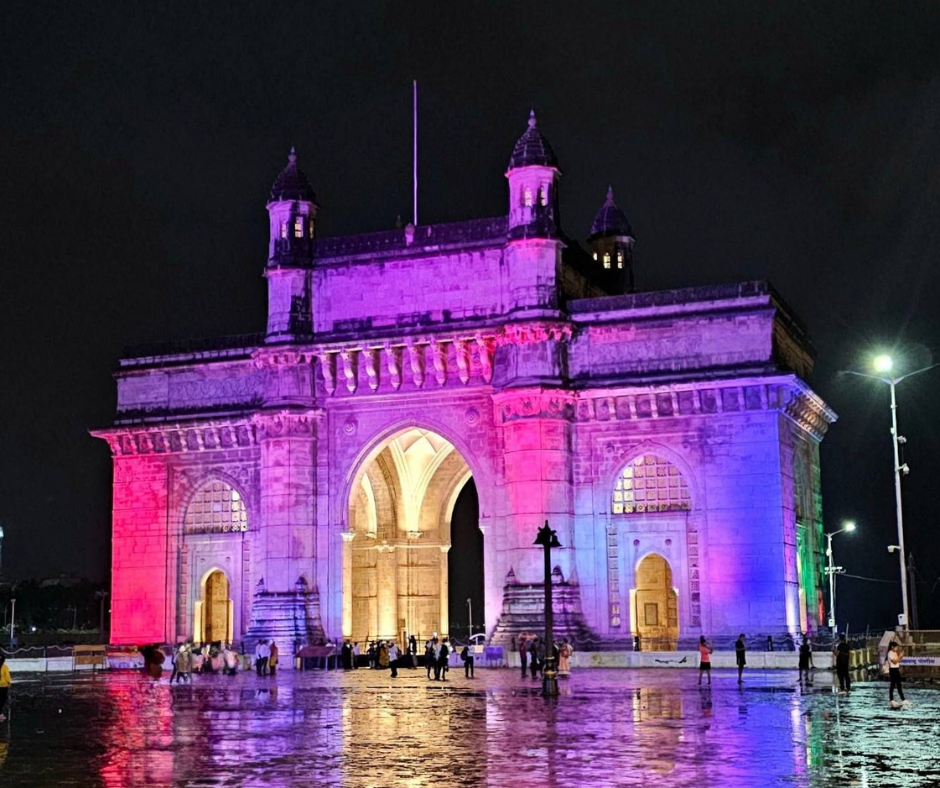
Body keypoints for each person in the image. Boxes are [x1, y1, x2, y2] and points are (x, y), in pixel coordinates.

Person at [886, 641, 908, 706]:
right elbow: (895, 662)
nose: (897, 649)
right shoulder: (890, 653)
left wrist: (901, 656)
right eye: (896, 647)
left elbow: (898, 661)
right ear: (892, 647)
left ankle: (903, 699)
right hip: (893, 670)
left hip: (896, 669)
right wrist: (900, 656)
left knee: (899, 685)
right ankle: (891, 699)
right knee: (892, 684)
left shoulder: (895, 653)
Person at [0, 654, 11, 722]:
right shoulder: (5, 667)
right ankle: (0, 714)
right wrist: (9, 683)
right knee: (2, 700)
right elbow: (7, 676)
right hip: (3, 686)